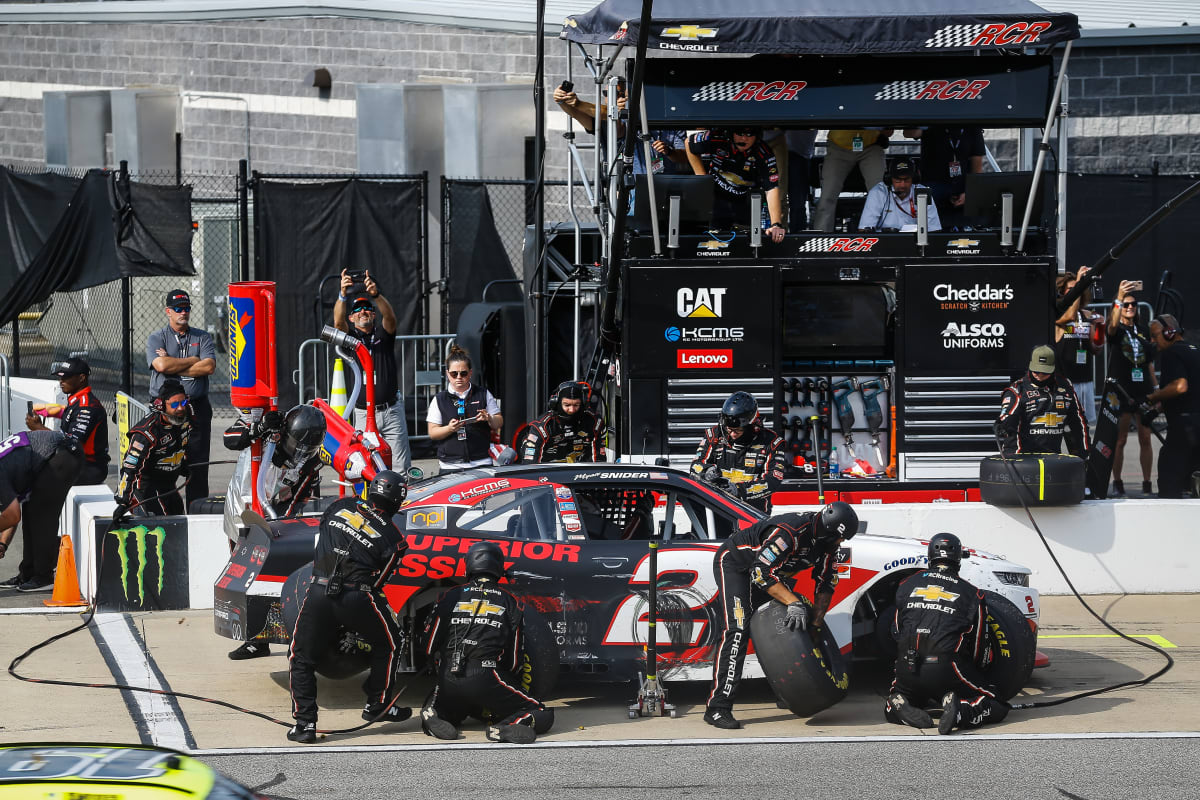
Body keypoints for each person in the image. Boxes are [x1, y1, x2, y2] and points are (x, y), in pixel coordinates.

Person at [705, 502, 858, 729]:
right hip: (736, 564)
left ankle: (789, 692)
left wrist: (815, 625)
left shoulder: (829, 545)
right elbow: (760, 571)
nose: (840, 543)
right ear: (828, 531)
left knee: (794, 623)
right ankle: (718, 707)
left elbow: (826, 584)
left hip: (770, 572)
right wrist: (793, 601)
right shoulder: (791, 531)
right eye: (839, 538)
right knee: (737, 629)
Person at [286, 471, 411, 744]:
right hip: (358, 595)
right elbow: (380, 581)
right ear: (397, 501)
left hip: (318, 589)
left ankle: (305, 723)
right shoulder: (395, 539)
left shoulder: (340, 505)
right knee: (392, 643)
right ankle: (377, 704)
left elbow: (321, 537)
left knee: (299, 656)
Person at [421, 541, 555, 744]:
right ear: (498, 568)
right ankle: (501, 730)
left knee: (436, 705)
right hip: (486, 674)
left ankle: (433, 719)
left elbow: (429, 645)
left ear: (469, 565)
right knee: (542, 712)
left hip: (449, 676)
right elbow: (514, 660)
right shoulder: (512, 602)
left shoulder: (448, 596)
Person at [885, 532, 1010, 735]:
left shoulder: (905, 584)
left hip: (907, 667)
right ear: (958, 559)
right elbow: (980, 647)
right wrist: (978, 670)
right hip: (945, 667)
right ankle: (961, 711)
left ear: (930, 556)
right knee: (997, 703)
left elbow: (897, 631)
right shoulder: (973, 593)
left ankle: (896, 705)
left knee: (902, 693)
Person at [332, 269, 412, 474]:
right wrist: (342, 294)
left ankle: (403, 505)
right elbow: (338, 324)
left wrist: (375, 295)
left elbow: (391, 318)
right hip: (363, 413)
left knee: (400, 468)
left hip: (391, 410)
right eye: (358, 309)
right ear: (352, 317)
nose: (363, 312)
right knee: (366, 466)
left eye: (367, 308)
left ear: (373, 313)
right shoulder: (351, 339)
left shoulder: (383, 334)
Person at [147, 289, 216, 511]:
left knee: (197, 466)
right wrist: (193, 360)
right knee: (163, 465)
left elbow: (209, 366)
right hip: (166, 411)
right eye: (178, 309)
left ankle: (197, 513)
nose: (183, 312)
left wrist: (172, 362)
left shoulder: (202, 336)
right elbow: (161, 366)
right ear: (168, 311)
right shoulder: (157, 337)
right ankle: (167, 513)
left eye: (186, 308)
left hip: (195, 408)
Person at [0, 430, 84, 592]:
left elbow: (11, 516)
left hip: (62, 454)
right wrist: (2, 543)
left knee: (40, 513)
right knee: (30, 511)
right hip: (49, 456)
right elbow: (11, 512)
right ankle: (28, 573)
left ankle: (43, 576)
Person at [552, 81, 688, 176]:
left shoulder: (666, 121)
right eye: (607, 93)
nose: (611, 97)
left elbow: (684, 156)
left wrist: (669, 151)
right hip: (626, 189)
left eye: (619, 94)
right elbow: (576, 113)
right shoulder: (604, 120)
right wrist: (561, 100)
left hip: (663, 183)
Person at [690, 391, 786, 513]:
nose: (732, 434)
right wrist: (706, 471)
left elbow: (773, 481)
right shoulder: (714, 435)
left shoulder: (772, 442)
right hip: (716, 510)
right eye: (729, 429)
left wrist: (739, 490)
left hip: (752, 513)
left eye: (738, 430)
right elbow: (695, 466)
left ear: (753, 425)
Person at [113, 380, 192, 522]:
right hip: (147, 487)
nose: (180, 408)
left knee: (180, 519)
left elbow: (185, 442)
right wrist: (123, 501)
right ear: (161, 406)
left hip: (169, 484)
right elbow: (130, 468)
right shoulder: (146, 433)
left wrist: (182, 463)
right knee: (163, 525)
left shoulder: (187, 414)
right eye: (174, 404)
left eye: (183, 403)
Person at [685, 128, 786, 239]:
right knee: (715, 240)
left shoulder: (764, 152)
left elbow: (772, 188)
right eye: (740, 133)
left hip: (745, 202)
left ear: (757, 136)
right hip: (717, 199)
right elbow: (688, 142)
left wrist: (776, 224)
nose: (744, 138)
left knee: (747, 242)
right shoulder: (717, 137)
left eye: (750, 134)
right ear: (731, 133)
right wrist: (701, 177)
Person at [1106, 281, 1158, 496]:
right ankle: (1117, 482)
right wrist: (1119, 296)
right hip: (1122, 390)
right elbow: (1111, 328)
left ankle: (1147, 483)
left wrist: (1156, 389)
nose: (1130, 308)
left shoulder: (1144, 330)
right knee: (1120, 439)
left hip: (1143, 389)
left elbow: (1149, 364)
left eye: (1133, 304)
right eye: (1126, 305)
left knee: (1146, 437)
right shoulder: (1116, 330)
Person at [24, 357, 109, 485]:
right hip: (75, 463)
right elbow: (72, 417)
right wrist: (53, 411)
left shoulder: (87, 407)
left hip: (89, 468)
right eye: (60, 378)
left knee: (30, 472)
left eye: (66, 377)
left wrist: (39, 428)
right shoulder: (78, 400)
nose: (61, 381)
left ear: (81, 378)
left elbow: (71, 444)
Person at [996, 346, 1088, 459]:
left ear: (1053, 368)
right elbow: (1004, 422)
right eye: (1036, 371)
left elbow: (1079, 422)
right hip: (1020, 458)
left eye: (1044, 372)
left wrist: (1085, 453)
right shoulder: (1017, 390)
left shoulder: (1065, 386)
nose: (1039, 376)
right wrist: (1006, 422)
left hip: (1052, 458)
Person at [426, 344, 503, 474]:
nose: (459, 378)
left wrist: (489, 418)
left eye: (463, 373)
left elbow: (499, 422)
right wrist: (449, 429)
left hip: (481, 462)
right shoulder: (440, 399)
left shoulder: (483, 393)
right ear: (447, 374)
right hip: (450, 465)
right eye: (454, 374)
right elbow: (433, 432)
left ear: (470, 373)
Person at [1145, 315, 1200, 498]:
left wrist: (1152, 397)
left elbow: (1180, 386)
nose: (1152, 341)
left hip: (1184, 427)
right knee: (1194, 481)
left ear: (1169, 332)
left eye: (1155, 335)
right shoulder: (1195, 351)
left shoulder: (1172, 353)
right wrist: (1157, 410)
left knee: (1169, 478)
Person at [903, 126, 986, 230]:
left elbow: (977, 165)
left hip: (962, 185)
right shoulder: (933, 119)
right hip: (933, 184)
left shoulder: (972, 127)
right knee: (929, 217)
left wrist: (970, 192)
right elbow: (909, 133)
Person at [814, 128, 892, 232]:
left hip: (871, 145)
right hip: (838, 146)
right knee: (827, 195)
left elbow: (889, 132)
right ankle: (821, 239)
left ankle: (885, 236)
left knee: (880, 193)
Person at [1054, 267, 1104, 429]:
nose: (1076, 291)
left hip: (1085, 380)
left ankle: (1082, 454)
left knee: (1084, 427)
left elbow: (1096, 349)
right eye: (1071, 289)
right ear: (1062, 292)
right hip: (1065, 382)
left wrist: (1101, 329)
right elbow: (1068, 316)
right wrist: (1080, 283)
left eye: (1077, 289)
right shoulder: (1057, 314)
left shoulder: (1086, 316)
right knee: (1061, 426)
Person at [518, 381, 604, 464]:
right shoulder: (542, 426)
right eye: (567, 405)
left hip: (581, 474)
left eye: (576, 405)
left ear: (583, 404)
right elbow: (530, 463)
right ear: (556, 403)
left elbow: (600, 462)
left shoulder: (595, 422)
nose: (572, 410)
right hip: (548, 474)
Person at [858, 159, 942, 232]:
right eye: (898, 180)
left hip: (916, 243)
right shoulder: (877, 193)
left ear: (914, 179)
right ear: (889, 179)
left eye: (907, 180)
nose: (902, 185)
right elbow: (864, 229)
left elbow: (934, 229)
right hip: (884, 244)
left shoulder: (923, 192)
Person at [785, 129, 818, 230]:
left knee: (797, 202)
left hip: (800, 155)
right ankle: (793, 232)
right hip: (778, 151)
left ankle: (797, 233)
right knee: (793, 200)